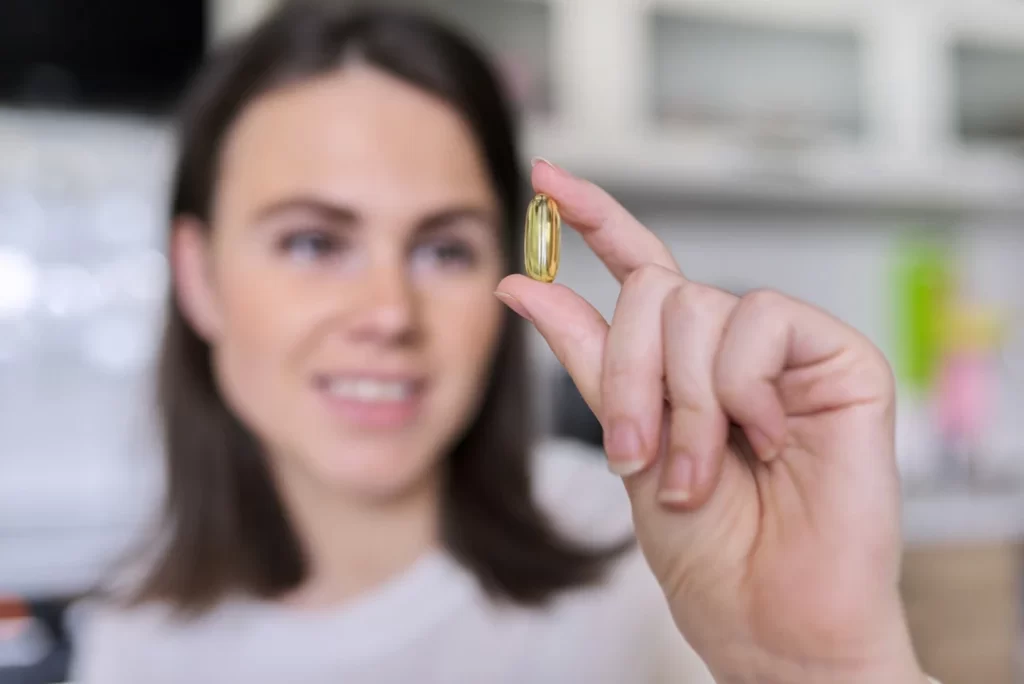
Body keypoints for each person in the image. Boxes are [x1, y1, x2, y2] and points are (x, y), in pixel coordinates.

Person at [71, 3, 937, 684]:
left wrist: (826, 673)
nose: (389, 314)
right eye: (313, 242)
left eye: (445, 248)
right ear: (198, 278)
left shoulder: (661, 554)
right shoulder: (136, 637)